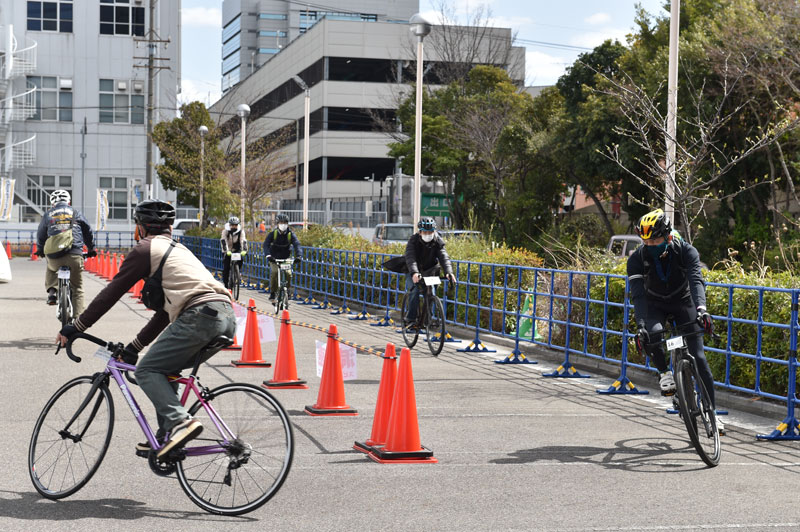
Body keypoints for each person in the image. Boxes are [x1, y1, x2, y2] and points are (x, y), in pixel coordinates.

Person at [56, 199, 236, 458]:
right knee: (166, 370)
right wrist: (134, 347)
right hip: (226, 317)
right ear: (169, 228)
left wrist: (77, 325)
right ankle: (165, 439)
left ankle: (182, 422)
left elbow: (112, 291)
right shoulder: (179, 251)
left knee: (147, 370)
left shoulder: (145, 249)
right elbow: (164, 313)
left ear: (140, 227)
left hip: (199, 316)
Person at [627, 208, 722, 433]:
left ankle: (713, 414)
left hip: (683, 302)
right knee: (652, 334)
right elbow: (638, 296)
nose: (650, 245)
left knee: (699, 357)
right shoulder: (637, 259)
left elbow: (696, 280)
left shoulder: (685, 251)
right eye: (645, 241)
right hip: (654, 304)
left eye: (655, 240)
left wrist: (702, 310)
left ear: (668, 235)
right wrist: (641, 326)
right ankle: (664, 373)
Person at [36, 189, 96, 314]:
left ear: (53, 203)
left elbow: (41, 235)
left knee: (51, 268)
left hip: (54, 257)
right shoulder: (76, 213)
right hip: (74, 254)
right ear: (69, 201)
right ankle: (77, 320)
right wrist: (91, 249)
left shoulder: (48, 214)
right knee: (77, 288)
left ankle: (52, 292)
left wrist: (40, 250)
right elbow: (88, 232)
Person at [403, 217, 456, 326]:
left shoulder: (437, 241)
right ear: (420, 232)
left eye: (431, 232)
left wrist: (449, 272)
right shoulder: (413, 241)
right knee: (414, 291)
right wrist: (414, 272)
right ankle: (411, 319)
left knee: (431, 293)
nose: (428, 234)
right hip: (414, 270)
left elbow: (444, 257)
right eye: (425, 232)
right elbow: (410, 258)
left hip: (431, 271)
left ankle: (427, 320)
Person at [262, 213, 301, 303]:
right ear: (277, 223)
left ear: (287, 224)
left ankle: (287, 290)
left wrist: (298, 255)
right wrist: (268, 255)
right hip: (274, 258)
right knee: (275, 272)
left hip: (285, 257)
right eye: (281, 222)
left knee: (288, 273)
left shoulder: (291, 234)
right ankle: (272, 292)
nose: (283, 224)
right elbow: (266, 245)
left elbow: (297, 244)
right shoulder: (273, 234)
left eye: (285, 222)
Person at [220, 216, 248, 289]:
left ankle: (237, 273)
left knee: (241, 259)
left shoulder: (241, 231)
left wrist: (244, 250)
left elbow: (243, 241)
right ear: (229, 225)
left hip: (237, 249)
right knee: (226, 268)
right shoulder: (225, 231)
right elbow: (223, 241)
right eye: (232, 225)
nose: (234, 226)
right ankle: (226, 284)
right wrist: (226, 251)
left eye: (235, 225)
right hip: (228, 250)